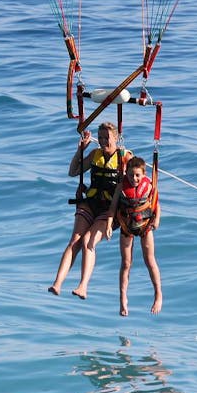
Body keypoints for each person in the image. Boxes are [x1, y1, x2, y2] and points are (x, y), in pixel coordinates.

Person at [48, 122, 130, 298]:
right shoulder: (94, 154)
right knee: (74, 241)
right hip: (91, 203)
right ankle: (57, 283)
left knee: (87, 241)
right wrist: (80, 151)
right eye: (100, 138)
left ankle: (83, 286)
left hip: (109, 210)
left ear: (115, 138)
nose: (102, 141)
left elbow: (139, 179)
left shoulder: (125, 158)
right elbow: (73, 171)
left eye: (106, 138)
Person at [107, 156, 162, 316]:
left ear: (144, 174)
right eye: (131, 175)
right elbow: (112, 208)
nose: (134, 179)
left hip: (145, 226)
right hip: (126, 226)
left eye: (137, 175)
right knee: (126, 263)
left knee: (150, 260)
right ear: (126, 173)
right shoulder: (121, 186)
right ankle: (123, 298)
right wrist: (109, 223)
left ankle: (158, 293)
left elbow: (156, 204)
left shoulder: (149, 185)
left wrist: (157, 219)